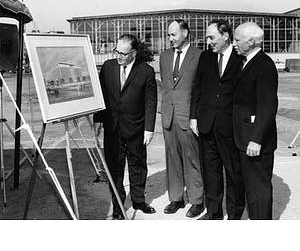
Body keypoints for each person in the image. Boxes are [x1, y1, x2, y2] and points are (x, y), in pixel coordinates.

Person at [93, 34, 157, 220]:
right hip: (112, 127)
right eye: (116, 51)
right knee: (115, 168)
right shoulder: (108, 67)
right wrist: (98, 120)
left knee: (137, 165)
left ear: (134, 53)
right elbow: (102, 95)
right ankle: (118, 206)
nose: (118, 56)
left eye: (122, 53)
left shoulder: (146, 71)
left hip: (136, 128)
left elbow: (150, 102)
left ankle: (138, 200)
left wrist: (149, 128)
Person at [190, 19, 245, 220]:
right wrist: (193, 117)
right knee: (211, 172)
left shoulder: (240, 59)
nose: (208, 41)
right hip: (206, 124)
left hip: (230, 125)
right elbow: (198, 87)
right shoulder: (206, 57)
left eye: (211, 37)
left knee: (233, 172)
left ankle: (234, 214)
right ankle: (213, 212)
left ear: (225, 36)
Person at [232, 22, 278, 220]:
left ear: (250, 41)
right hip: (244, 137)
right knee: (251, 188)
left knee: (259, 190)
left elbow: (267, 106)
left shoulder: (264, 65)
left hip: (255, 141)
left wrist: (256, 139)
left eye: (237, 40)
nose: (234, 44)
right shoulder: (247, 61)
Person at [160, 19, 204, 218]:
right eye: (168, 35)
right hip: (169, 117)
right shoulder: (164, 56)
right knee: (172, 159)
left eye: (173, 34)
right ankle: (176, 198)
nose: (170, 39)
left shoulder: (200, 56)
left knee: (192, 159)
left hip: (188, 117)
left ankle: (197, 200)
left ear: (185, 32)